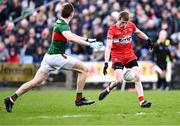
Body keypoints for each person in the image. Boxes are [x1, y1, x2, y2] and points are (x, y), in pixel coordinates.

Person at [4, 3, 103, 112]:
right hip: (56, 57)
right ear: (72, 14)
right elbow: (70, 37)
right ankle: (79, 99)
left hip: (48, 57)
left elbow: (71, 35)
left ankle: (11, 99)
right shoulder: (63, 25)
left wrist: (87, 40)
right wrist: (89, 45)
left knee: (35, 82)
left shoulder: (60, 22)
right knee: (84, 69)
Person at [98, 11, 153, 108]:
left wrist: (148, 39)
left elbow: (139, 32)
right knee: (119, 81)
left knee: (137, 77)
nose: (124, 25)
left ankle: (142, 102)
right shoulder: (112, 30)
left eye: (126, 23)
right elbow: (108, 47)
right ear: (119, 19)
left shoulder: (130, 25)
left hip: (129, 55)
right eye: (123, 22)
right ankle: (108, 89)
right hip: (117, 56)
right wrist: (106, 62)